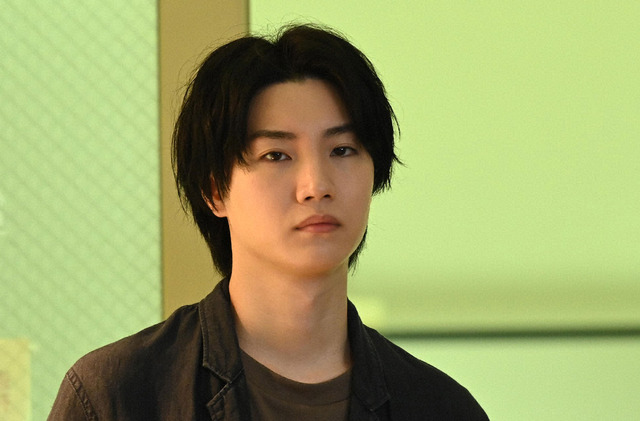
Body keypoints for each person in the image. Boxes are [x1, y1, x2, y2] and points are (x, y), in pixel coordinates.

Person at [48, 24, 489, 420]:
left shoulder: (441, 407)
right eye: (276, 155)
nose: (316, 186)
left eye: (342, 150)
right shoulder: (117, 396)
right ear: (214, 190)